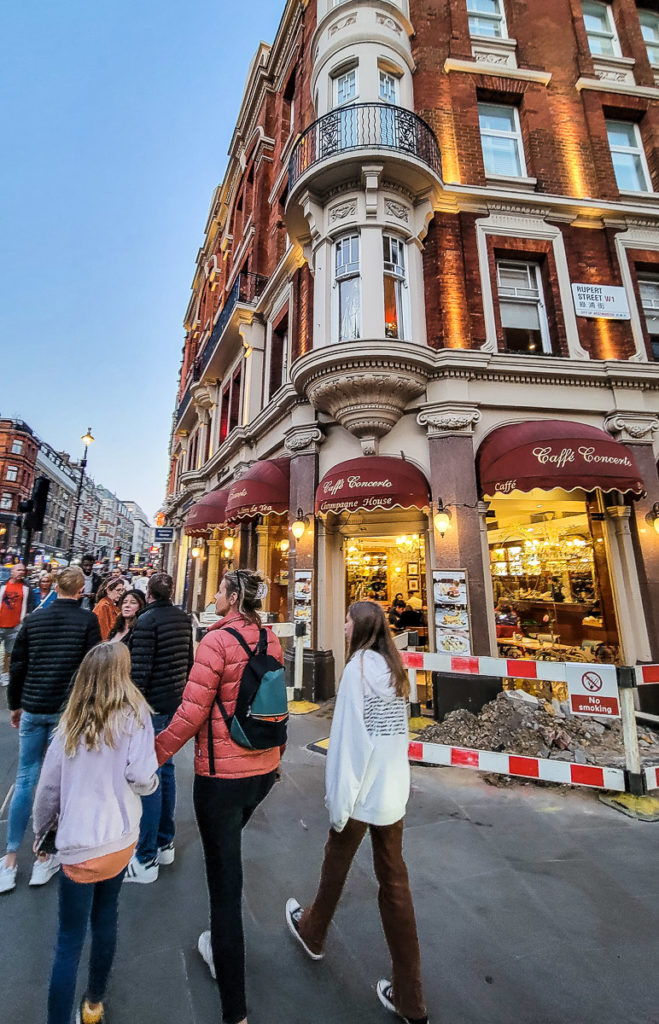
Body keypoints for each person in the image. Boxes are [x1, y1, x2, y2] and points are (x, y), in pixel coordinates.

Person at [285, 600, 429, 1024]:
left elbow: (349, 743)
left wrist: (339, 802)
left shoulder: (357, 671)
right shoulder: (395, 669)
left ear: (361, 626)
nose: (343, 626)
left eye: (347, 620)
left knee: (336, 862)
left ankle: (313, 931)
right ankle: (411, 996)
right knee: (395, 884)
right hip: (391, 793)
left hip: (363, 794)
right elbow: (394, 735)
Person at [155, 569, 283, 1024]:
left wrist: (152, 756)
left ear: (231, 597)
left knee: (226, 888)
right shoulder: (270, 639)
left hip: (220, 779)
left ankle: (235, 1009)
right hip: (262, 772)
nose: (213, 594)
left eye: (219, 588)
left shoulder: (215, 643)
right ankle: (220, 951)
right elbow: (274, 703)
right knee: (226, 859)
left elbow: (190, 715)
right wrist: (277, 758)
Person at [33, 642, 158, 1024]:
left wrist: (42, 835)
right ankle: (93, 1006)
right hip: (119, 841)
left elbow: (48, 790)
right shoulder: (136, 715)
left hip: (77, 847)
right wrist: (151, 785)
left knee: (69, 940)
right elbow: (140, 775)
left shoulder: (69, 724)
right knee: (106, 918)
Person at [0, 567, 102, 895]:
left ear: (55, 587)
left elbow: (18, 664)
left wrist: (15, 703)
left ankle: (10, 858)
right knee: (59, 780)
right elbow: (93, 667)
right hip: (65, 712)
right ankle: (45, 854)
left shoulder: (35, 619)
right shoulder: (87, 622)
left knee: (26, 777)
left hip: (32, 706)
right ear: (81, 589)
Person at [124, 572, 193, 883]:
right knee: (165, 770)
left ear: (148, 594)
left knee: (148, 775)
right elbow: (188, 660)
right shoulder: (182, 619)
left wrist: (131, 709)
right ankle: (165, 841)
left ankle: (146, 857)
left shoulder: (146, 621)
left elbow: (139, 671)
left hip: (150, 707)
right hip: (173, 703)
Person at [0, 563, 31, 685]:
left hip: (15, 626)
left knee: (10, 653)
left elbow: (29, 605)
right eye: (19, 570)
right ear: (12, 572)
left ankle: (5, 675)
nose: (21, 572)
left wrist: (24, 620)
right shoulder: (3, 585)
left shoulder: (26, 587)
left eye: (23, 570)